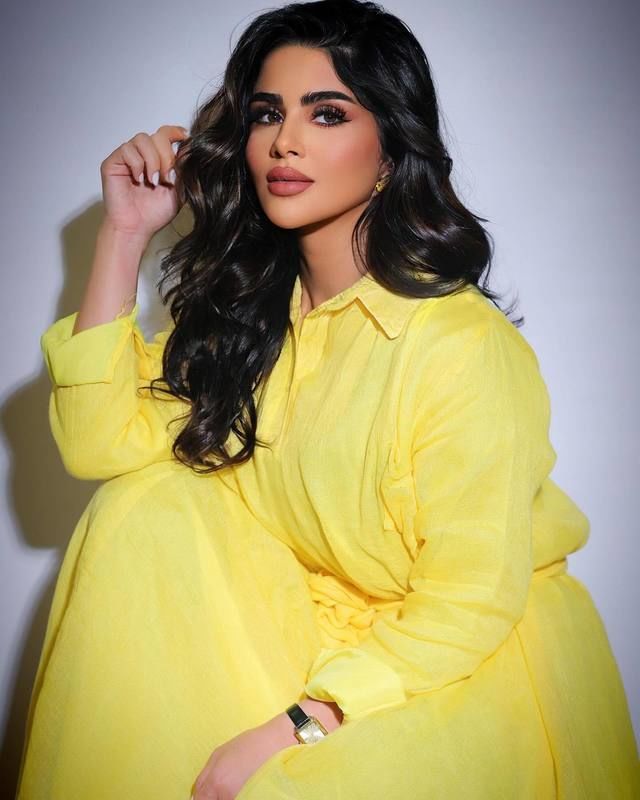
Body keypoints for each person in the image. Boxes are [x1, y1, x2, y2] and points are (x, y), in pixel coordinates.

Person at [16, 0, 640, 797]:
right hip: (313, 633)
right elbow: (97, 446)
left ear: (390, 151)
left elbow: (469, 603)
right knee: (144, 507)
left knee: (285, 786)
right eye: (267, 114)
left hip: (454, 665)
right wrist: (124, 235)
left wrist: (294, 726)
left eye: (328, 113)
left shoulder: (460, 346)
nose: (285, 141)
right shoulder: (251, 325)